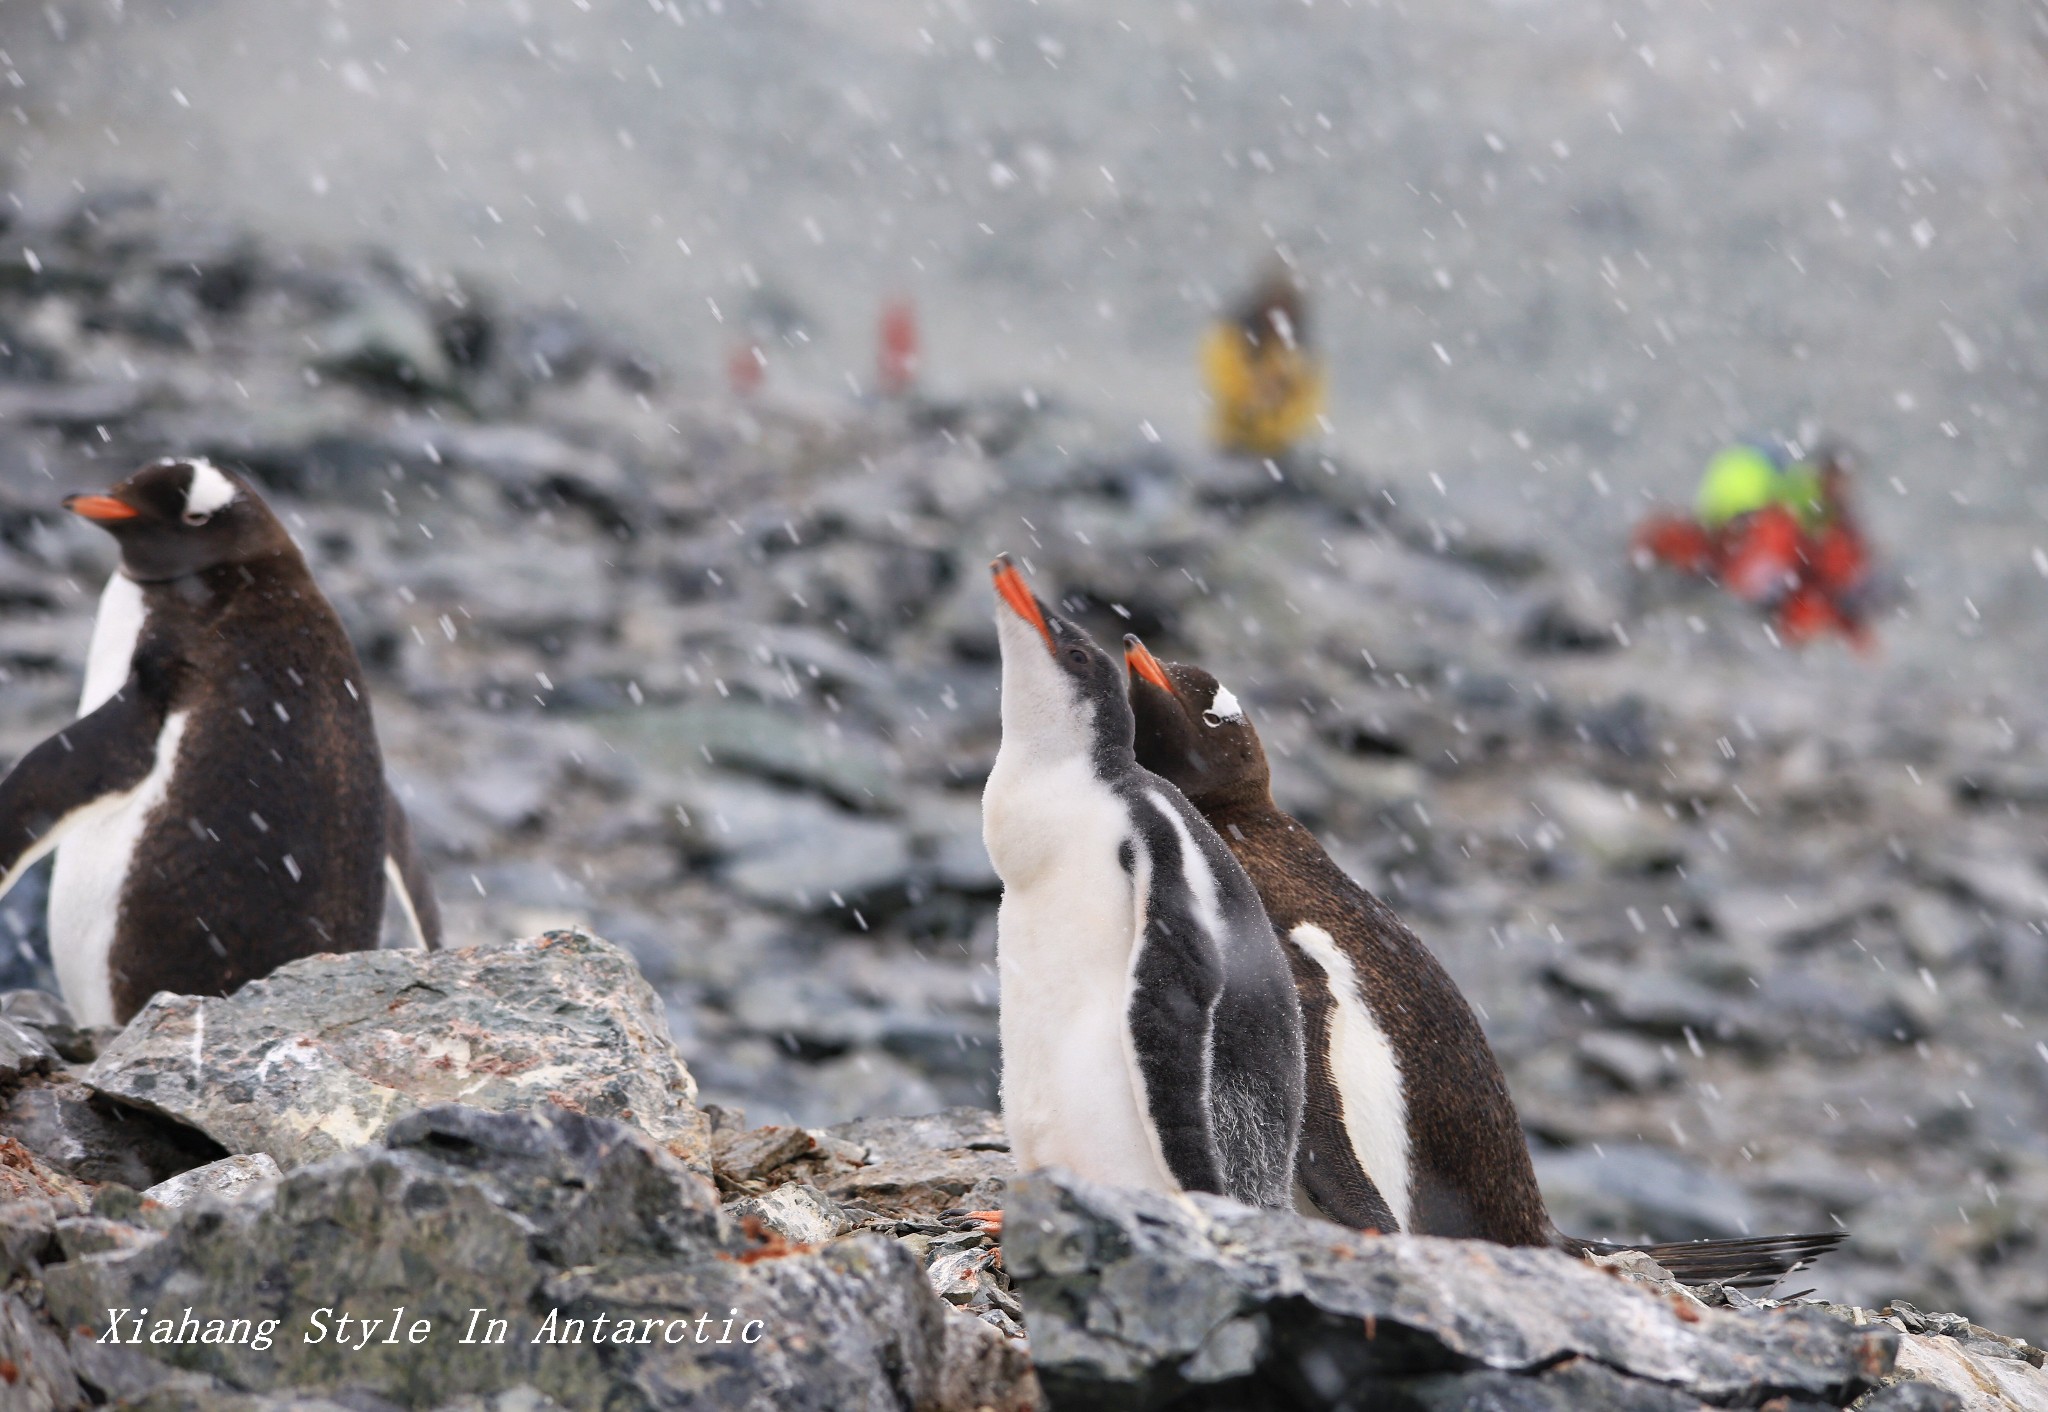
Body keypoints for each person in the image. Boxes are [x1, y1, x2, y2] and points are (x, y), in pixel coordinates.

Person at [1201, 267, 1324, 458]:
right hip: (1231, 445)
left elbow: (1308, 408)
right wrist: (1259, 399)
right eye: (1276, 308)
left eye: (1286, 309)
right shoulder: (1232, 336)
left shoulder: (1301, 354)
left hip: (1280, 452)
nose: (1279, 318)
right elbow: (1223, 384)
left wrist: (1274, 414)